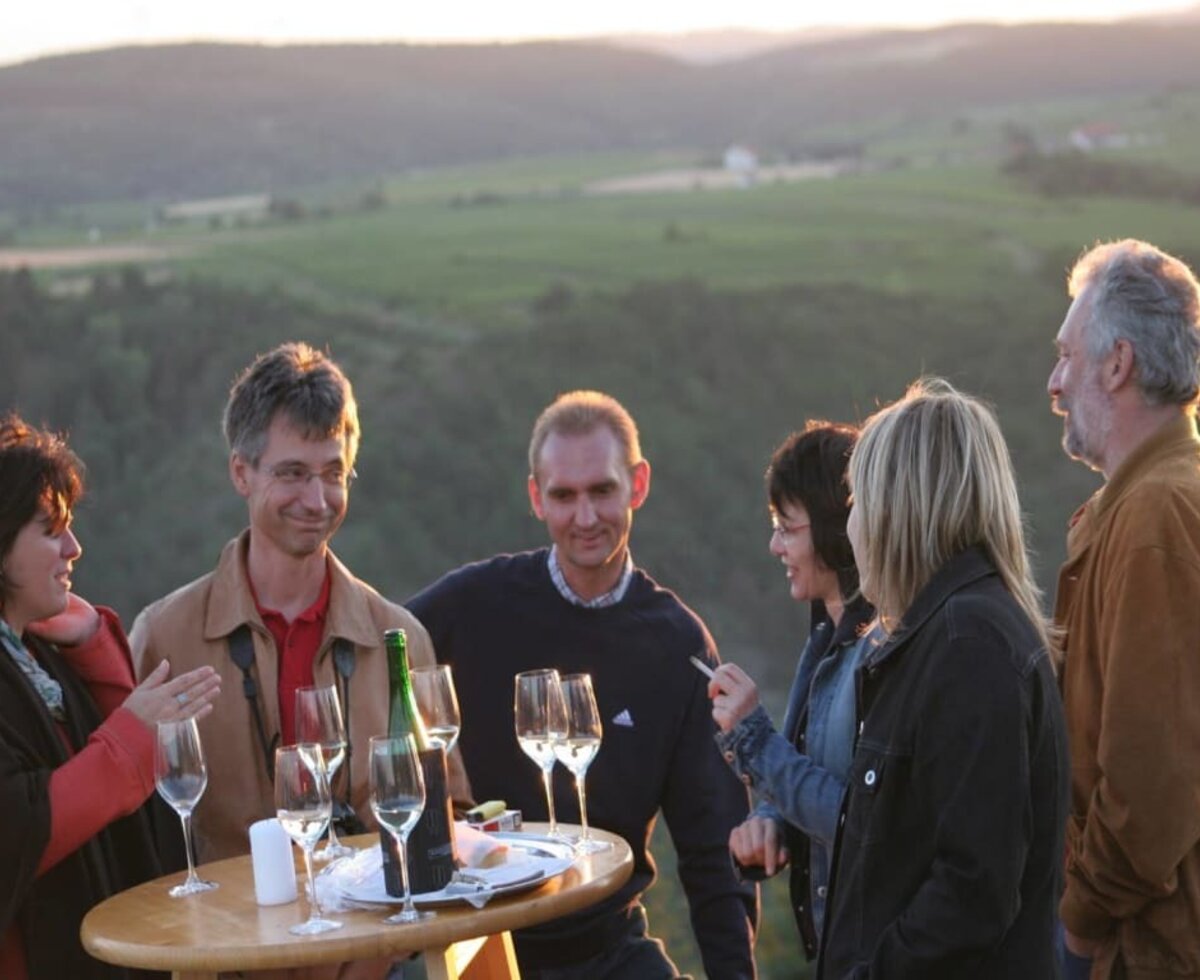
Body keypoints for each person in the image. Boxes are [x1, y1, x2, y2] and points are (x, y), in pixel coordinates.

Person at [406, 390, 757, 980]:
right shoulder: (472, 604)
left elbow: (712, 849)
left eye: (603, 490)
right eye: (564, 496)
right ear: (536, 498)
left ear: (638, 485)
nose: (585, 517)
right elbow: (376, 656)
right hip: (480, 948)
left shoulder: (677, 644)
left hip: (610, 949)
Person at [130, 342, 473, 868]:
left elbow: (448, 825)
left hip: (377, 944)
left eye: (333, 474)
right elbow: (128, 833)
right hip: (223, 944)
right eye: (291, 473)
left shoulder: (399, 638)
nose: (316, 501)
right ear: (241, 473)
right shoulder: (163, 637)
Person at [818, 379, 1068, 978]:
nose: (850, 530)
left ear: (896, 509)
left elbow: (972, 896)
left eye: (856, 503)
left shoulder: (967, 647)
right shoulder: (954, 634)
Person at [0, 414, 220, 979]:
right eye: (50, 530)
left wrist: (95, 652)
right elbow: (16, 829)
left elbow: (125, 821)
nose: (74, 547)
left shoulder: (40, 655)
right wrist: (127, 745)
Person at [1048, 239, 1200, 979]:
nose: (1053, 381)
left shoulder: (1155, 520)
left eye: (1068, 357)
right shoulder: (1139, 505)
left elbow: (1150, 779)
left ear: (1118, 364)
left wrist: (1080, 924)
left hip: (1148, 945)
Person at [707, 421, 875, 961]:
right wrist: (769, 822)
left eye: (788, 528)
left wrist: (753, 737)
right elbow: (812, 777)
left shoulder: (878, 653)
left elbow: (861, 826)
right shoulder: (825, 637)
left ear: (835, 531)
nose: (774, 544)